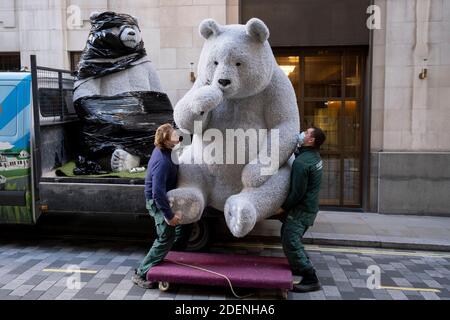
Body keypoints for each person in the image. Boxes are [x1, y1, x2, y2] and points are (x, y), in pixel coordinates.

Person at [132, 123, 193, 288]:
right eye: (173, 135)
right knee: (166, 235)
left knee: (183, 229)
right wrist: (168, 216)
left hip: (168, 197)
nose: (177, 135)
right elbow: (157, 193)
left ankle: (167, 257)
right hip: (157, 202)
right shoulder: (163, 162)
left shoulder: (168, 151)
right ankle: (141, 273)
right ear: (166, 141)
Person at [276, 127, 326, 293]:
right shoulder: (312, 157)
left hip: (301, 210)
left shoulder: (302, 163)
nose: (303, 133)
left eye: (307, 132)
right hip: (309, 207)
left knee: (291, 240)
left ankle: (310, 277)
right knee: (287, 235)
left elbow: (297, 193)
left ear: (311, 140)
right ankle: (298, 264)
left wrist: (282, 208)